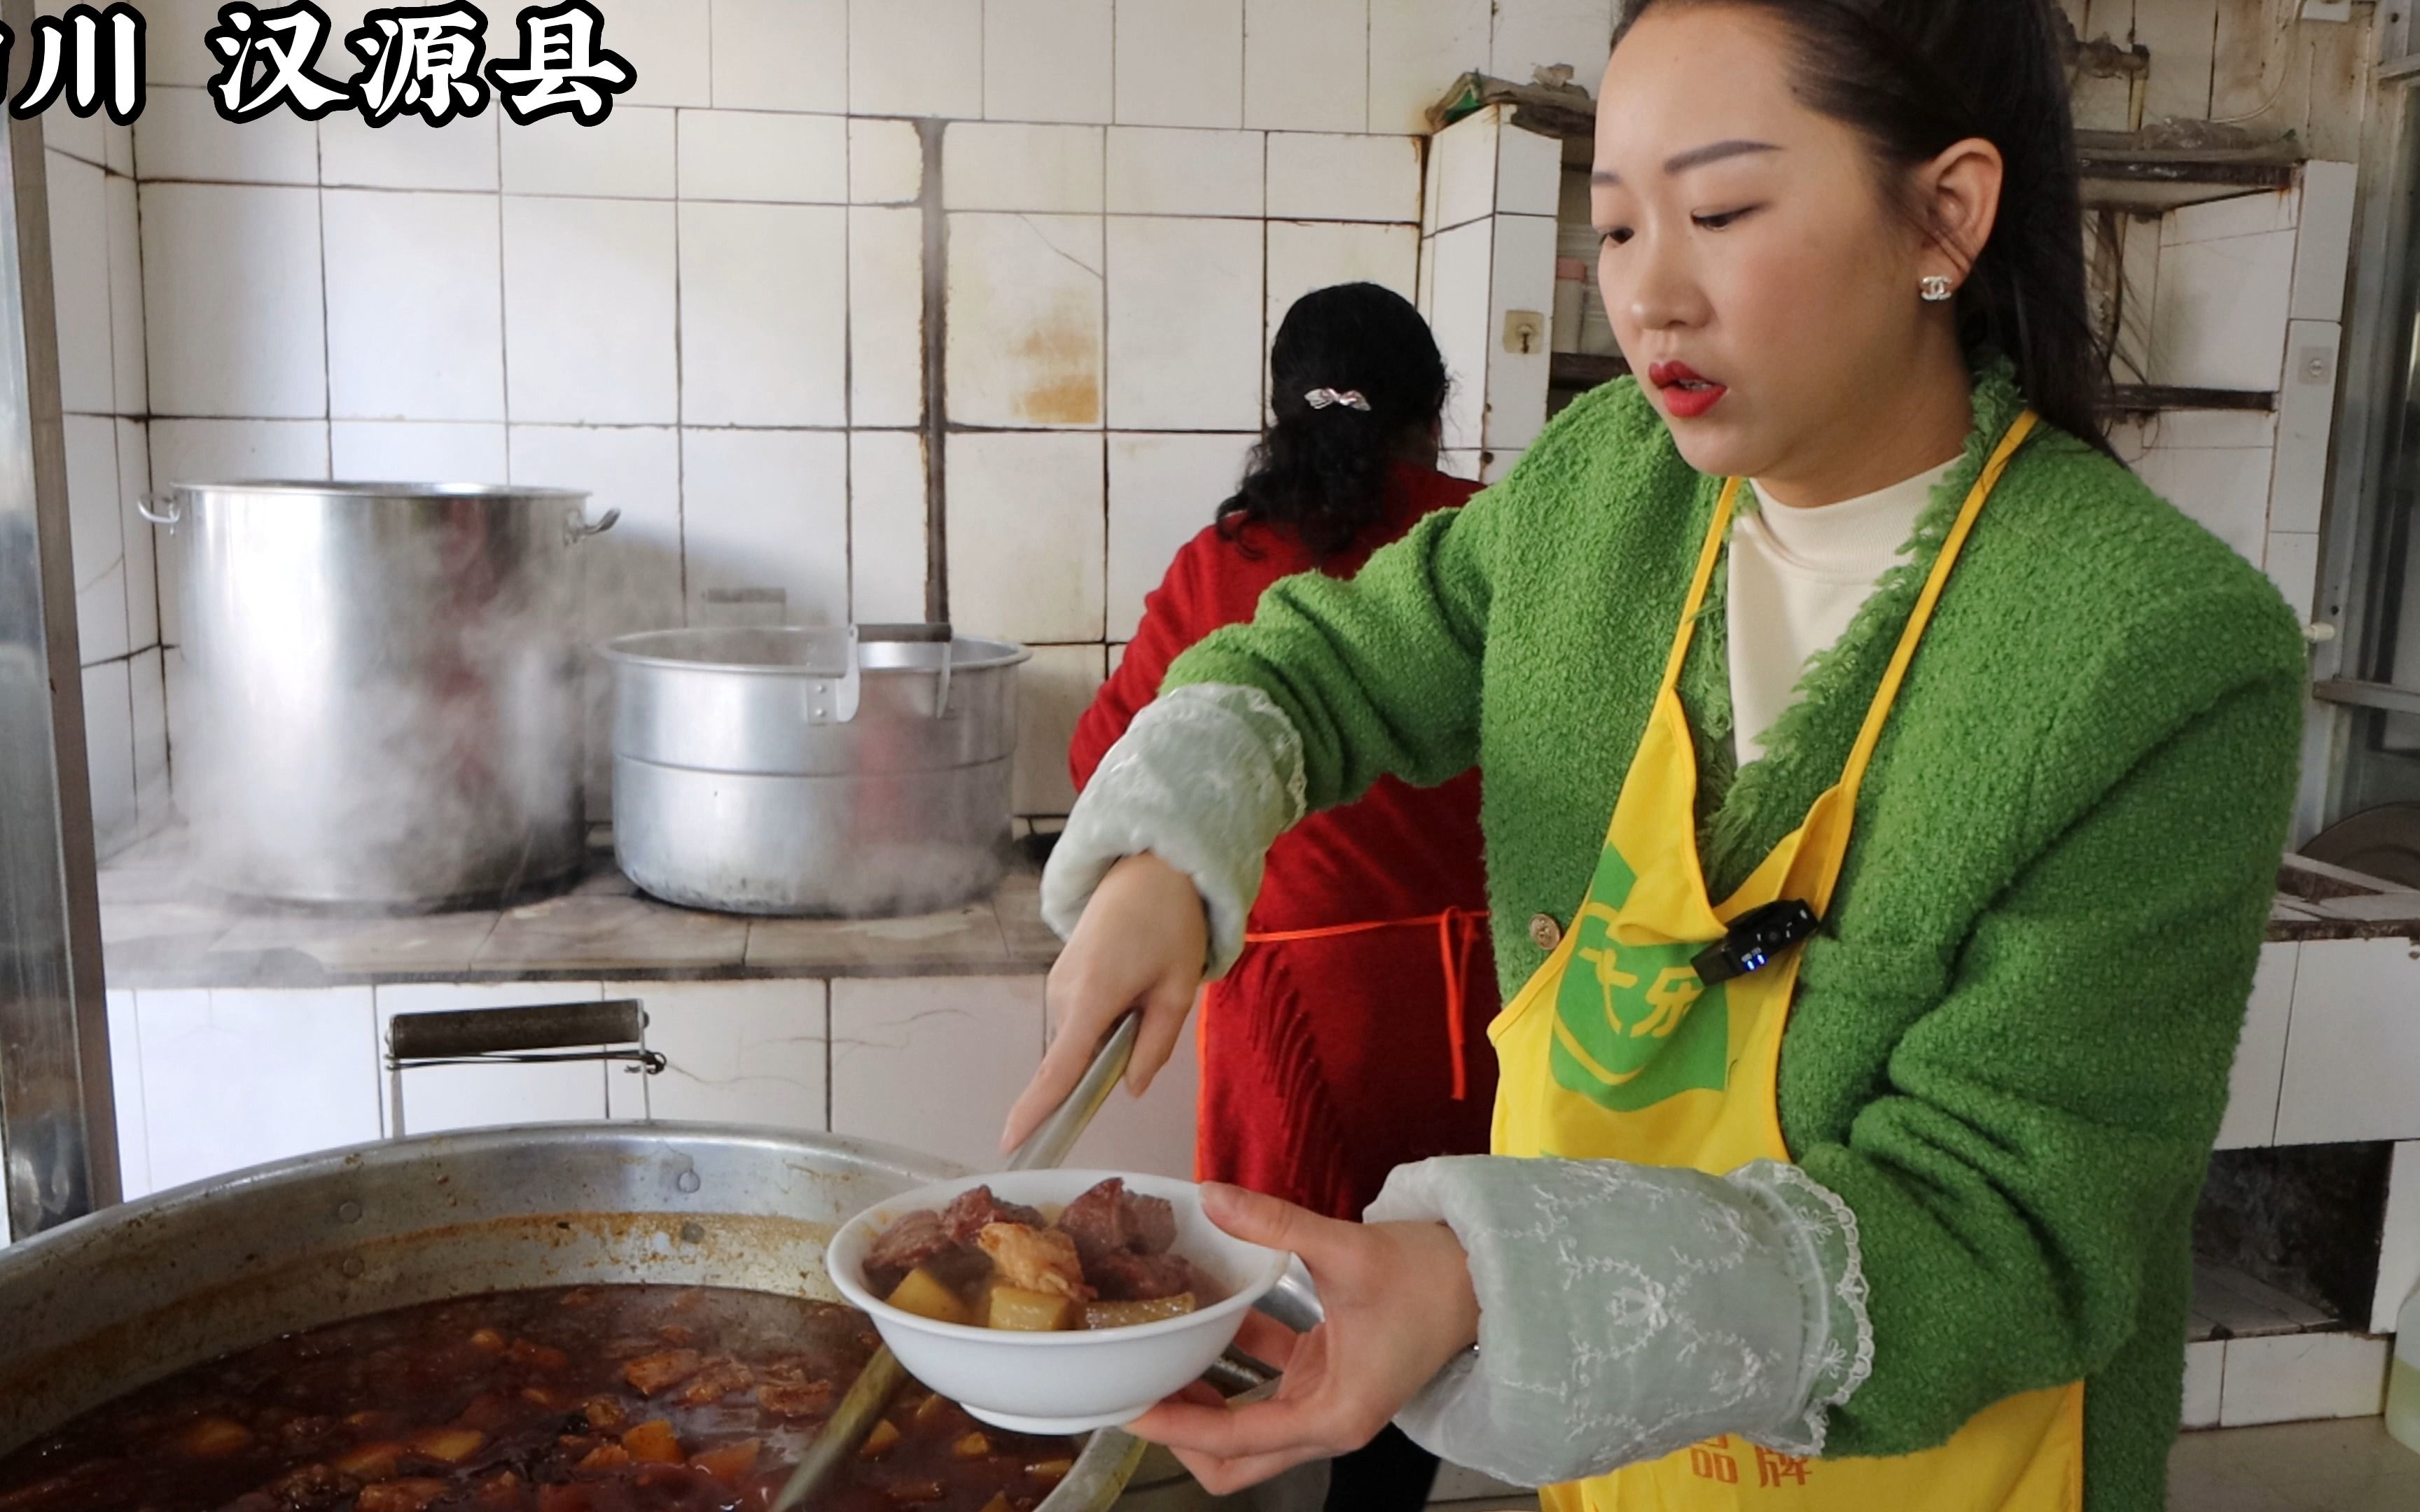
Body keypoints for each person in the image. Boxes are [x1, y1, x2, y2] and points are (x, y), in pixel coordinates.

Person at [999, 1, 2308, 1508]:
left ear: (1943, 213)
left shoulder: (2151, 651)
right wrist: (1175, 840)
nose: (1650, 298)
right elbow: (1328, 661)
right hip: (1628, 1457)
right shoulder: (1603, 492)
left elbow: (2004, 1230)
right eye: (1616, 229)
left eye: (1724, 211)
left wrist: (1493, 1286)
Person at [1066, 282, 1501, 1512]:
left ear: (1275, 414)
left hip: (1295, 1015)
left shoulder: (1228, 563)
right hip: (1473, 1010)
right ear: (1434, 418)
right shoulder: (1479, 538)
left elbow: (1107, 763)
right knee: (1432, 1296)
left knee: (1280, 1315)